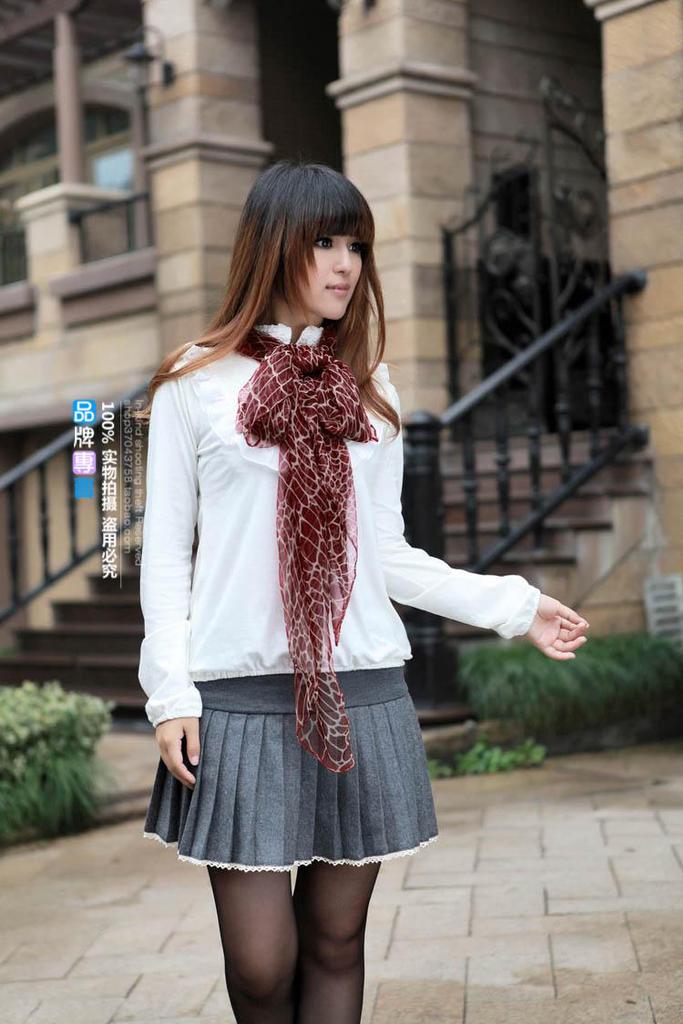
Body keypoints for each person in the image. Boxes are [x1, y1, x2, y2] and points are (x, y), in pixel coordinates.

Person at [134, 160, 589, 1024]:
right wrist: (170, 693)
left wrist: (515, 606)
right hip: (237, 697)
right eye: (324, 243)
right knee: (261, 966)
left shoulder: (370, 390)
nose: (345, 264)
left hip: (361, 688)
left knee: (338, 943)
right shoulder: (194, 380)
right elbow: (164, 559)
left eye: (357, 246)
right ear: (273, 246)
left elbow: (385, 554)